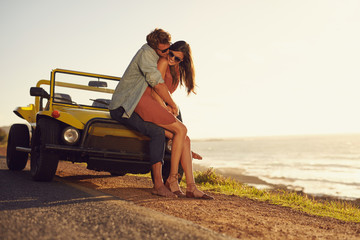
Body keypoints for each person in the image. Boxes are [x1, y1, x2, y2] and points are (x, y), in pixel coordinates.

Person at [134, 40, 214, 200]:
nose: (171, 59)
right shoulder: (163, 62)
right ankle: (172, 178)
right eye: (171, 54)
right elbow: (155, 89)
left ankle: (191, 187)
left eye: (177, 58)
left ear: (182, 60)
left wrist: (168, 106)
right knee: (182, 130)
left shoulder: (177, 69)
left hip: (158, 106)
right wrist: (167, 107)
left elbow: (166, 92)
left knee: (185, 140)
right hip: (147, 103)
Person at [109, 28, 178, 198]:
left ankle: (177, 178)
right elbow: (156, 82)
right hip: (124, 107)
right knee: (157, 132)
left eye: (168, 48)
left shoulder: (159, 56)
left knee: (174, 129)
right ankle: (158, 185)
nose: (167, 53)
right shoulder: (146, 54)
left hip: (139, 104)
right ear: (154, 47)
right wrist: (172, 104)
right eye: (164, 50)